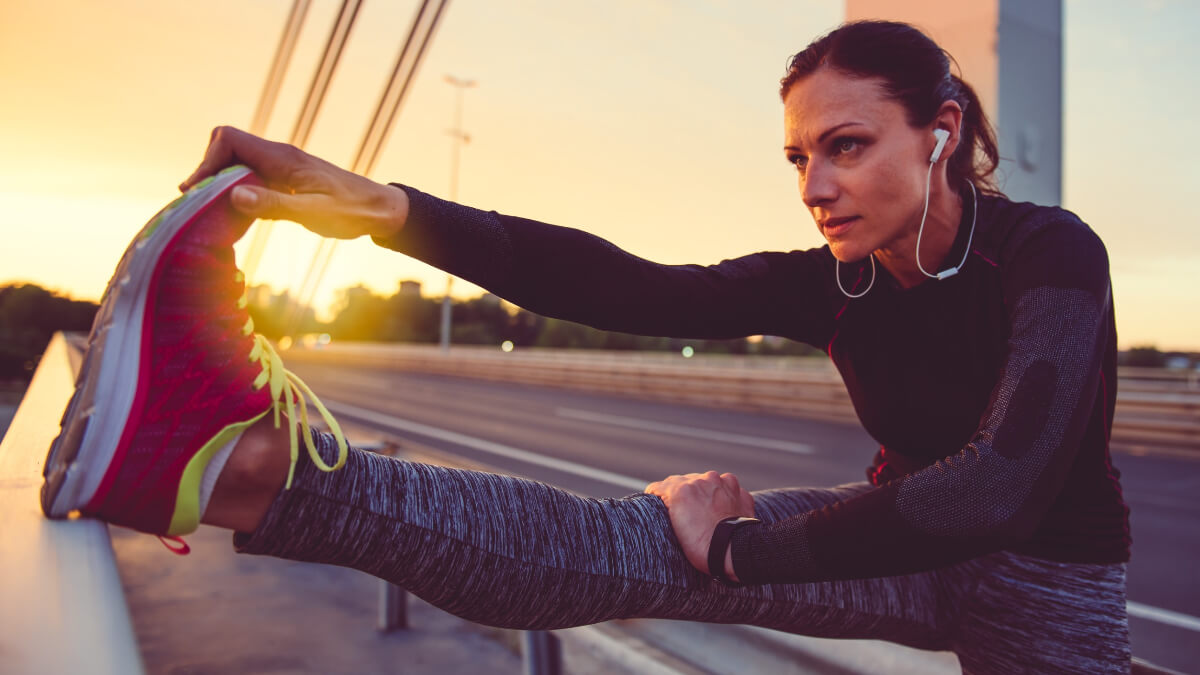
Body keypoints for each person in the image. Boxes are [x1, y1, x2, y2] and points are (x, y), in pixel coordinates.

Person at [42, 20, 1131, 673]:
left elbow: (1000, 488)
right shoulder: (835, 281)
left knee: (694, 545)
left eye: (846, 146)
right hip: (894, 545)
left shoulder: (1049, 253)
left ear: (942, 132)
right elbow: (626, 286)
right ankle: (235, 472)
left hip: (1052, 584)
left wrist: (738, 550)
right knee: (610, 546)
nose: (815, 186)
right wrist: (382, 209)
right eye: (799, 157)